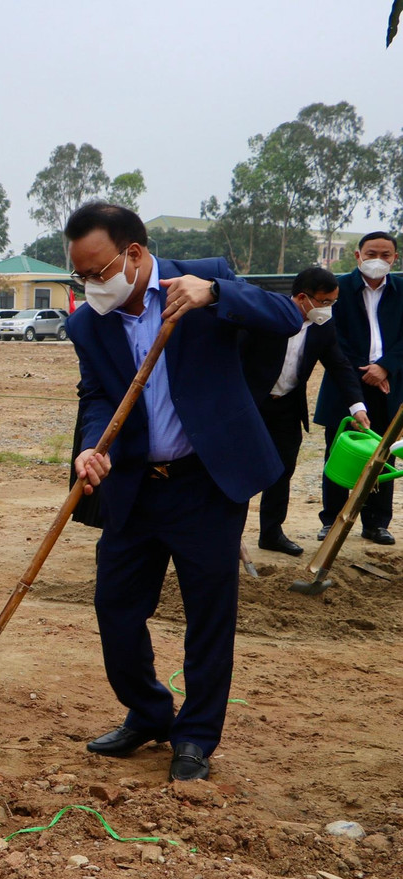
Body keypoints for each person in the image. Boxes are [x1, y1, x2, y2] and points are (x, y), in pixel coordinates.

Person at [66, 203, 300, 782]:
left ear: (135, 254)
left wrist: (216, 293)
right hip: (135, 488)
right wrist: (94, 445)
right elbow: (97, 395)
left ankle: (195, 737)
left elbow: (287, 319)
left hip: (205, 484)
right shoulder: (85, 323)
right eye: (81, 276)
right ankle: (148, 712)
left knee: (208, 614)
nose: (92, 286)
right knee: (116, 608)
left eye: (99, 272)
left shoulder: (201, 277)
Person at [241, 267, 368, 556]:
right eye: (324, 302)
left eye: (333, 302)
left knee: (283, 469)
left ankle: (271, 533)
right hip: (251, 404)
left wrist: (357, 406)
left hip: (287, 406)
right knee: (240, 468)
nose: (328, 309)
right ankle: (228, 535)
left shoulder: (323, 327)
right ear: (302, 297)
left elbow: (339, 365)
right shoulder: (264, 317)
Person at [315, 232, 403, 545]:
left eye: (385, 254)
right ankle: (332, 519)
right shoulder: (338, 289)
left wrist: (386, 367)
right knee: (338, 448)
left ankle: (376, 522)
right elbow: (331, 337)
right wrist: (365, 372)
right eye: (371, 253)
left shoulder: (401, 290)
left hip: (389, 385)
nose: (378, 259)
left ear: (394, 257)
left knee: (384, 453)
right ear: (358, 255)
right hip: (345, 383)